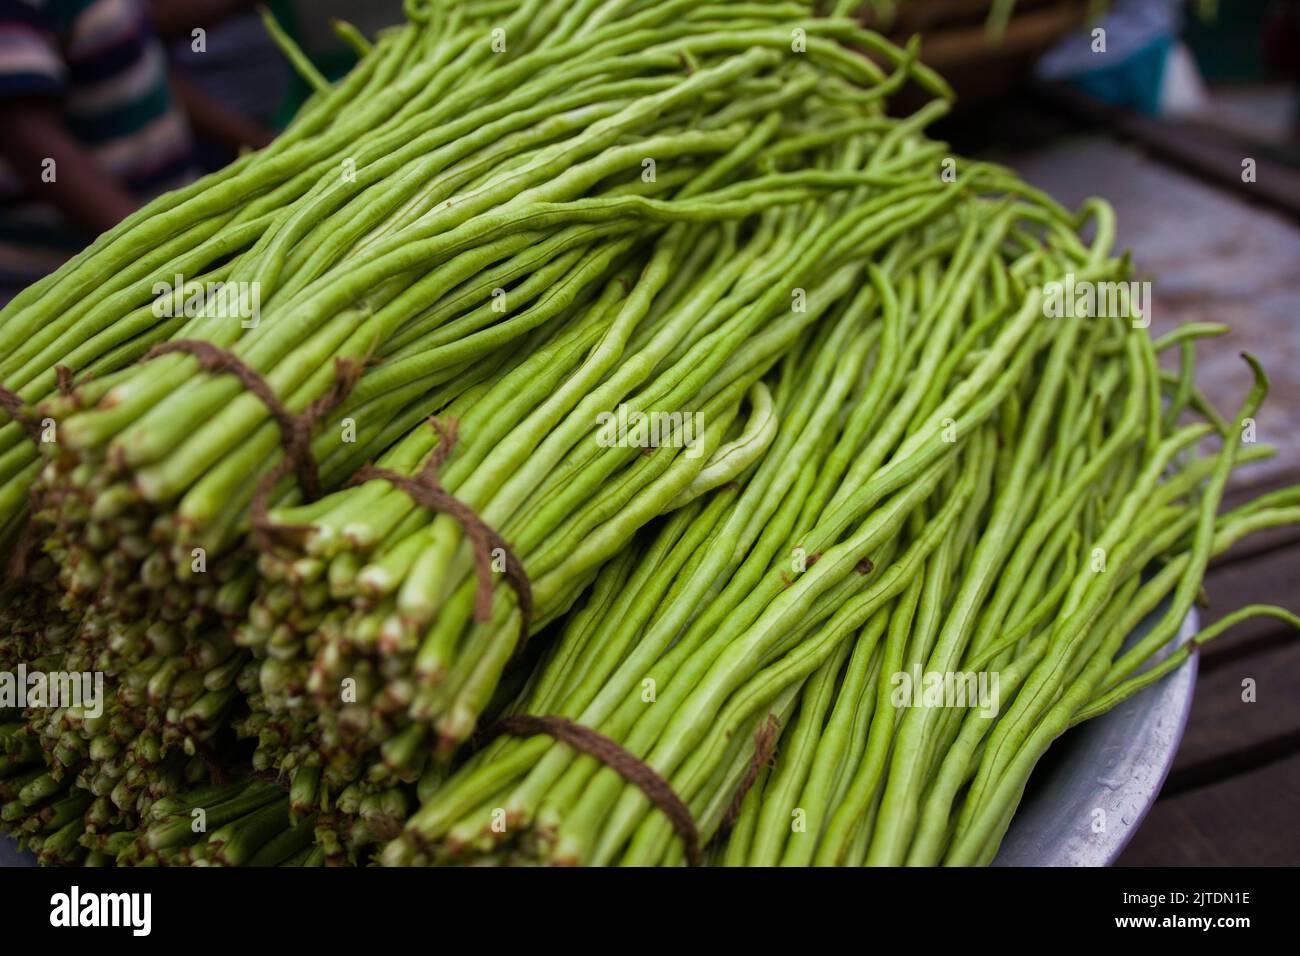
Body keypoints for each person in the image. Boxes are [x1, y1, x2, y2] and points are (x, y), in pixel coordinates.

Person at [0, 0, 273, 302]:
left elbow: (142, 66)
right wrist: (170, 261)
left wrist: (265, 147)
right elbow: (29, 142)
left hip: (164, 243)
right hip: (77, 283)